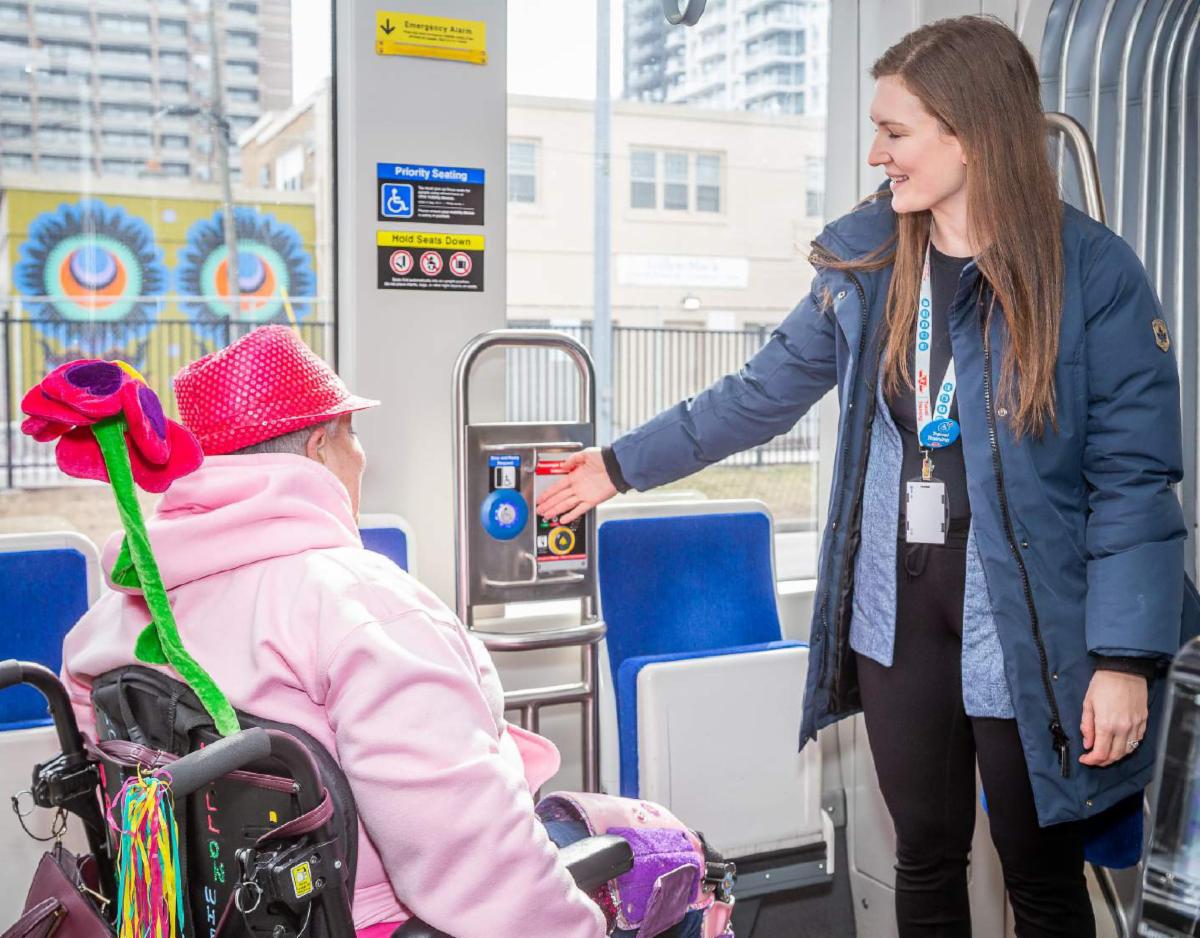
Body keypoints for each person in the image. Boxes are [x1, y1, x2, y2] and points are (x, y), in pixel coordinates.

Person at [538, 16, 1198, 937]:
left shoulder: (1093, 275)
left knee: (1041, 877)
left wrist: (1124, 661)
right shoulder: (870, 257)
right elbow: (760, 394)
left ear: (971, 132)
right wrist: (617, 465)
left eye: (898, 131)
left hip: (1033, 618)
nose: (879, 154)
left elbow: (1134, 481)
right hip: (900, 613)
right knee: (923, 858)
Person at [61, 325, 608, 938]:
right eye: (354, 436)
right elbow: (466, 850)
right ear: (321, 445)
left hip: (209, 916)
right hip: (368, 915)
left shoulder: (115, 616)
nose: (362, 458)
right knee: (665, 851)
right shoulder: (361, 603)